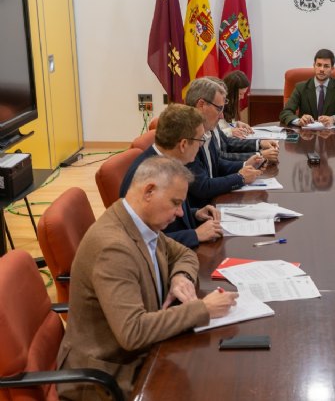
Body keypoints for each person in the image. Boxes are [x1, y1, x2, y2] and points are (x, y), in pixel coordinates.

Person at [57, 156, 239, 400]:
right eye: (175, 203)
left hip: (141, 352)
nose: (179, 213)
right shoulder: (113, 248)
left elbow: (184, 254)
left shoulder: (139, 223)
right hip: (108, 375)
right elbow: (133, 332)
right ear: (149, 191)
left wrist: (181, 276)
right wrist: (202, 309)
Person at [120, 104, 223, 249]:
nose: (201, 146)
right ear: (183, 144)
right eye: (200, 140)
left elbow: (167, 212)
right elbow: (141, 241)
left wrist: (195, 214)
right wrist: (194, 235)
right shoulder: (146, 177)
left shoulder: (171, 164)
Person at [185, 77, 264, 208]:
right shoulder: (187, 136)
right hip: (201, 211)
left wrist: (245, 164)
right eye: (219, 109)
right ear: (201, 105)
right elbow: (203, 187)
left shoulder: (206, 129)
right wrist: (240, 178)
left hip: (212, 205)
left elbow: (216, 163)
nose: (222, 116)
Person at [205, 76, 279, 163]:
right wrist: (260, 155)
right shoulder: (201, 132)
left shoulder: (217, 113)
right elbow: (221, 158)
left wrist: (260, 143)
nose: (243, 97)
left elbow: (227, 142)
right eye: (240, 94)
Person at [279, 48, 335, 127]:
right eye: (319, 65)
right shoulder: (301, 87)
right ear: (314, 66)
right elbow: (285, 112)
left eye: (326, 66)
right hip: (306, 133)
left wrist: (333, 119)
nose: (321, 69)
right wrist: (299, 121)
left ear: (332, 69)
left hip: (330, 132)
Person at [221, 70, 254, 138]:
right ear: (230, 92)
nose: (242, 97)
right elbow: (211, 133)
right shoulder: (217, 105)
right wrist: (230, 131)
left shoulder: (231, 104)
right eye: (240, 94)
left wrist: (236, 124)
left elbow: (227, 124)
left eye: (244, 93)